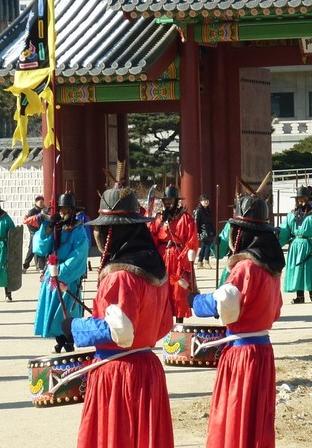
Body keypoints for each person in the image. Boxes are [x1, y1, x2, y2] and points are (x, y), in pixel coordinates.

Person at [63, 183, 174, 448]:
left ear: (111, 233)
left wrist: (76, 327)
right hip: (148, 368)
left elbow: (120, 330)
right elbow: (164, 324)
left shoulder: (120, 275)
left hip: (119, 374)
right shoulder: (157, 269)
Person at [187, 193, 284, 447]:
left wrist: (196, 301)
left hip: (242, 355)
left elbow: (226, 302)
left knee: (235, 415)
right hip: (263, 351)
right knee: (255, 418)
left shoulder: (246, 267)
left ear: (239, 233)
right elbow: (276, 310)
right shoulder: (271, 270)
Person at [32, 192, 89, 353]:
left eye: (66, 209)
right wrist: (48, 227)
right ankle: (59, 340)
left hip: (67, 275)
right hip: (52, 271)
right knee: (53, 308)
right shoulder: (55, 227)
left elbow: (79, 254)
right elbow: (40, 248)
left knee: (67, 310)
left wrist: (61, 271)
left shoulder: (79, 230)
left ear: (72, 210)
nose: (63, 212)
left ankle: (69, 341)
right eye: (60, 209)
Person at [150, 184, 199, 322]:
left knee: (178, 291)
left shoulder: (185, 218)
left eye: (170, 200)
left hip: (178, 256)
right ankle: (163, 324)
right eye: (166, 200)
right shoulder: (158, 218)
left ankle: (179, 323)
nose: (168, 203)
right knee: (162, 289)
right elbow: (153, 238)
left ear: (176, 201)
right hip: (162, 256)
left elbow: (192, 241)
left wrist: (184, 259)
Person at [280, 185, 312, 304]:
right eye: (299, 199)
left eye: (303, 199)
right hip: (295, 246)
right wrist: (277, 238)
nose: (301, 201)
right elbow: (285, 231)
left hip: (308, 245)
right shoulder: (291, 215)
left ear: (308, 199)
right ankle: (299, 296)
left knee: (309, 270)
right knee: (297, 270)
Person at [22, 195, 47, 274]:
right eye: (40, 202)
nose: (42, 203)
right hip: (34, 234)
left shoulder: (44, 210)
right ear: (36, 202)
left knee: (41, 249)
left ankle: (41, 267)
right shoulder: (32, 212)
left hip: (42, 233)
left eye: (42, 202)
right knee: (31, 250)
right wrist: (34, 232)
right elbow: (28, 222)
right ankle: (25, 266)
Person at [194, 194, 216, 269]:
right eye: (204, 200)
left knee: (204, 246)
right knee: (208, 245)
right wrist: (197, 232)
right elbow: (196, 221)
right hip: (203, 230)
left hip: (209, 229)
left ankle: (200, 262)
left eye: (207, 200)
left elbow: (210, 221)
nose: (206, 202)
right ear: (200, 201)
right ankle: (206, 261)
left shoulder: (208, 210)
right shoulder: (199, 210)